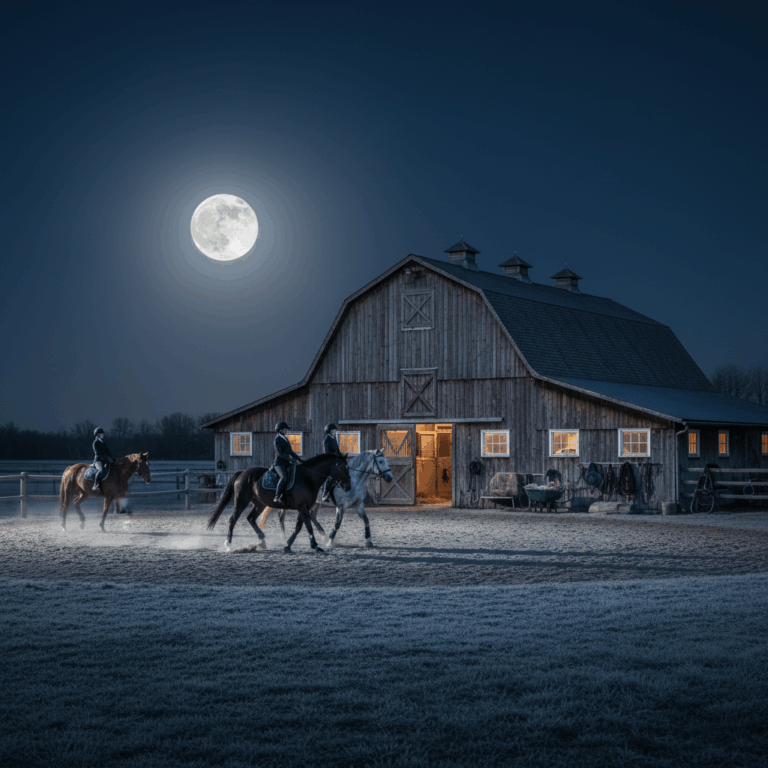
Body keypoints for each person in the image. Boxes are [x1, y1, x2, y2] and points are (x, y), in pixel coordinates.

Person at [273, 421, 304, 504]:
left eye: (286, 429)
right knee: (283, 477)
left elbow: (291, 452)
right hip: (279, 463)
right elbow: (280, 454)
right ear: (279, 430)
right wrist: (291, 460)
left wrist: (300, 460)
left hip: (287, 462)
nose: (286, 430)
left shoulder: (285, 439)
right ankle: (277, 496)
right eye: (284, 429)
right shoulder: (277, 440)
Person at [321, 423, 341, 502]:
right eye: (332, 431)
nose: (334, 432)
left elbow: (337, 450)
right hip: (329, 461)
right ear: (329, 431)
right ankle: (325, 494)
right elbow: (327, 452)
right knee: (329, 476)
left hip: (336, 460)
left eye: (334, 431)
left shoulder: (334, 438)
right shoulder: (326, 439)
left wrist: (341, 456)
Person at [92, 427, 114, 491]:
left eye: (102, 434)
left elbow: (107, 451)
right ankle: (95, 485)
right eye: (101, 434)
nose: (102, 435)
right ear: (97, 435)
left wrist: (112, 458)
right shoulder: (95, 443)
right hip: (98, 460)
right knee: (101, 470)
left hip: (105, 460)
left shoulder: (103, 443)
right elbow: (97, 452)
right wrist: (105, 458)